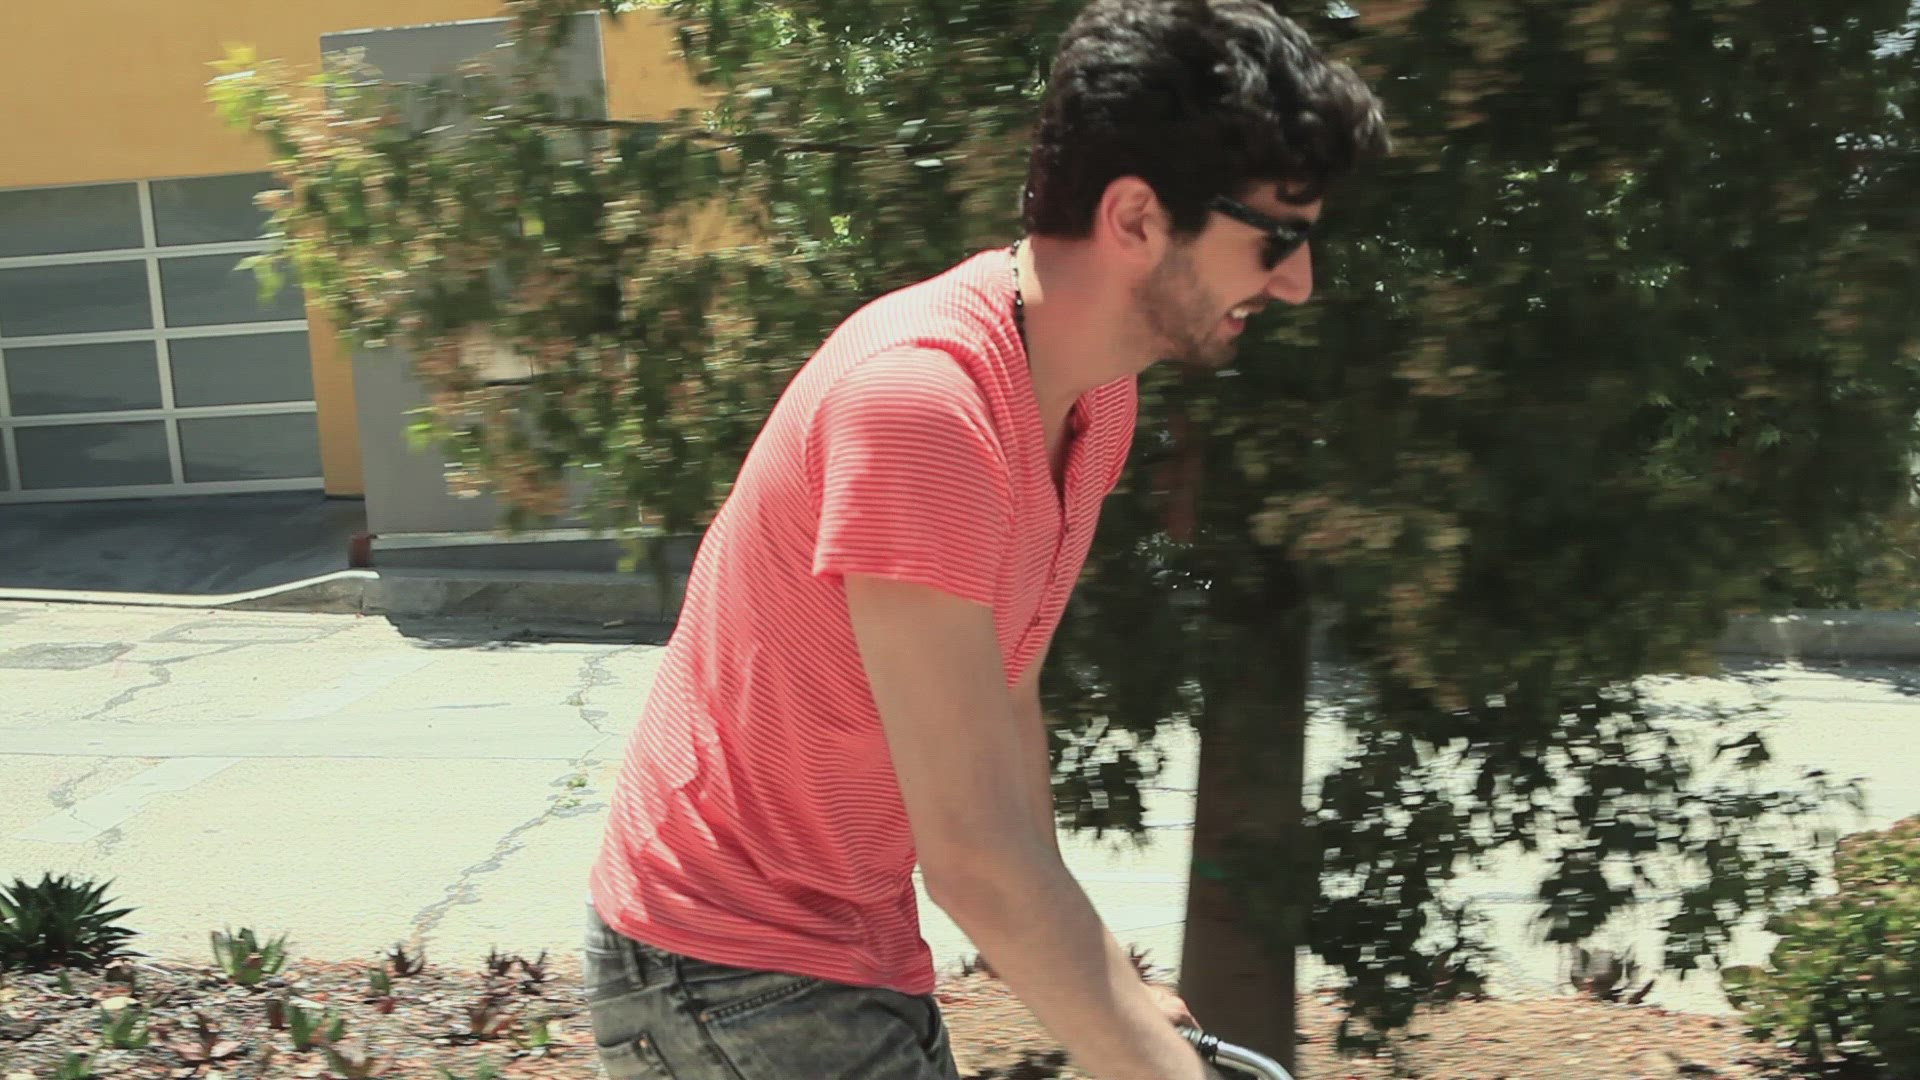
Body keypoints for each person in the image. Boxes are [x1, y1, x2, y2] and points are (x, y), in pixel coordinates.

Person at [582, 0, 1388, 1076]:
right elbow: (970, 855)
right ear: (1137, 218)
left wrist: (1103, 983)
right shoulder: (923, 407)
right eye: (1276, 237)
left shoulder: (1093, 399)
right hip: (723, 964)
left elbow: (1005, 703)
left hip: (836, 950)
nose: (1297, 280)